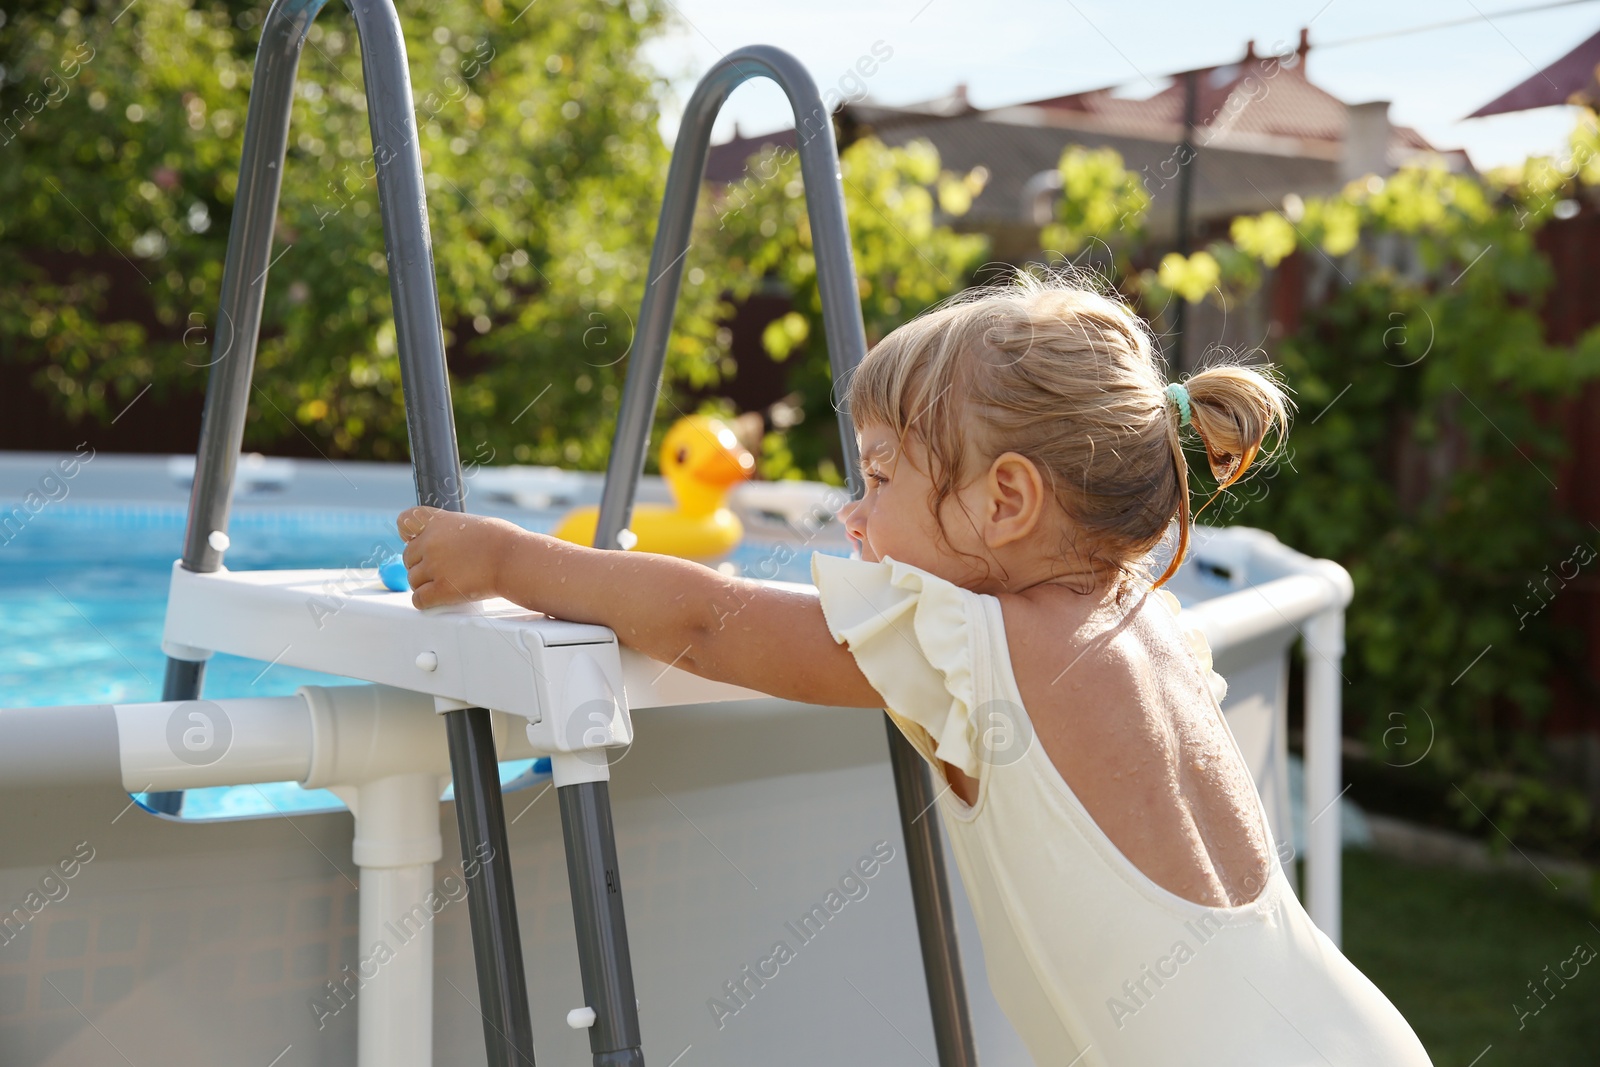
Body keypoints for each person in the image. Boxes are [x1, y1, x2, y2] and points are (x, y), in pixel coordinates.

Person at [395, 272, 1433, 1065]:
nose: (855, 511)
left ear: (1008, 500)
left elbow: (712, 621)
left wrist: (505, 556)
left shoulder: (982, 646)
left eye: (882, 474)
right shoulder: (1144, 616)